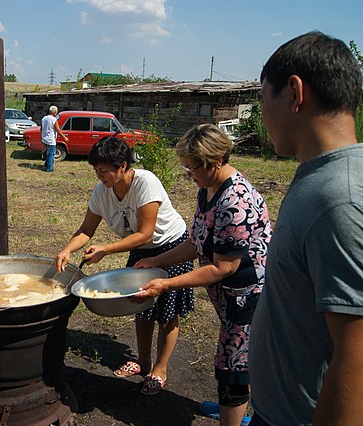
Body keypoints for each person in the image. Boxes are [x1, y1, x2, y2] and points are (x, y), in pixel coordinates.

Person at [249, 31, 363, 426]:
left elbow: (356, 355)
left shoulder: (337, 197)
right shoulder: (322, 177)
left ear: (295, 93)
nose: (262, 113)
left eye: (263, 98)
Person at [132, 123, 271, 426]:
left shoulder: (236, 203)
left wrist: (165, 283)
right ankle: (236, 411)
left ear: (217, 161)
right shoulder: (207, 190)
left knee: (232, 369)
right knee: (244, 362)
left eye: (192, 168)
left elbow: (224, 267)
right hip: (230, 298)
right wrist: (156, 260)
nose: (189, 175)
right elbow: (197, 243)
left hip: (250, 299)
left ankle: (239, 415)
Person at [55, 136, 194, 395]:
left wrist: (105, 250)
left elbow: (146, 233)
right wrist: (67, 249)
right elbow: (86, 229)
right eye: (96, 170)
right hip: (140, 250)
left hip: (171, 247)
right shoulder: (101, 192)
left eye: (104, 170)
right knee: (140, 306)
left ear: (122, 166)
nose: (100, 176)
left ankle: (160, 369)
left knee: (166, 312)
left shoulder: (145, 182)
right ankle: (143, 362)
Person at [41, 105, 68, 172]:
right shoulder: (54, 119)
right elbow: (58, 130)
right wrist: (64, 137)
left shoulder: (44, 118)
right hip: (51, 139)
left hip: (44, 138)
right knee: (51, 154)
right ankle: (50, 168)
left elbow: (41, 128)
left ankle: (46, 164)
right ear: (55, 112)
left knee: (49, 152)